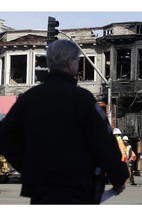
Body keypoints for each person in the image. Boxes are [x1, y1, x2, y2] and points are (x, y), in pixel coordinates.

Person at [0, 39, 129, 204]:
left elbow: (5, 136)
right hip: (77, 186)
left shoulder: (29, 99)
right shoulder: (83, 99)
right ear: (70, 63)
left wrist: (26, 166)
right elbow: (102, 141)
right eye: (77, 61)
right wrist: (118, 176)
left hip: (41, 188)